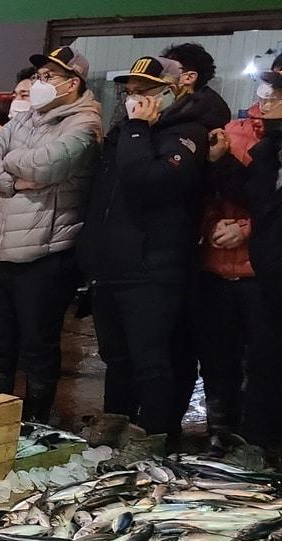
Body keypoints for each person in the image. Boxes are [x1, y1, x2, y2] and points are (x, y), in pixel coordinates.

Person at [77, 55, 213, 456]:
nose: (135, 99)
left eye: (147, 91)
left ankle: (153, 434)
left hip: (153, 266)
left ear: (174, 91)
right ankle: (115, 421)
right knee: (115, 356)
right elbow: (101, 198)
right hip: (112, 265)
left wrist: (138, 128)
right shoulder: (123, 134)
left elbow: (146, 183)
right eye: (132, 91)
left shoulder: (187, 134)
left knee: (149, 357)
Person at [0, 46, 101, 422]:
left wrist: (8, 164)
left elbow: (48, 164)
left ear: (72, 83)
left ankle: (36, 420)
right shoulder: (27, 118)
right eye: (39, 76)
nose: (39, 84)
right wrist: (14, 182)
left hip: (45, 254)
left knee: (38, 345)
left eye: (49, 77)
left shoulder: (84, 122)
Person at [195, 54, 281, 452]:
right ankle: (220, 430)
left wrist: (246, 230)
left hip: (260, 272)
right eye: (269, 86)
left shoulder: (271, 145)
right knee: (216, 354)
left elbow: (267, 207)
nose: (268, 95)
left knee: (263, 361)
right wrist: (211, 225)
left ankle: (256, 440)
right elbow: (212, 190)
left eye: (277, 88)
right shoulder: (231, 131)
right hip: (217, 266)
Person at [157, 42, 233, 430]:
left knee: (190, 341)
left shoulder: (205, 119)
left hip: (194, 246)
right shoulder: (167, 115)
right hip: (176, 244)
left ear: (188, 77)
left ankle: (181, 426)